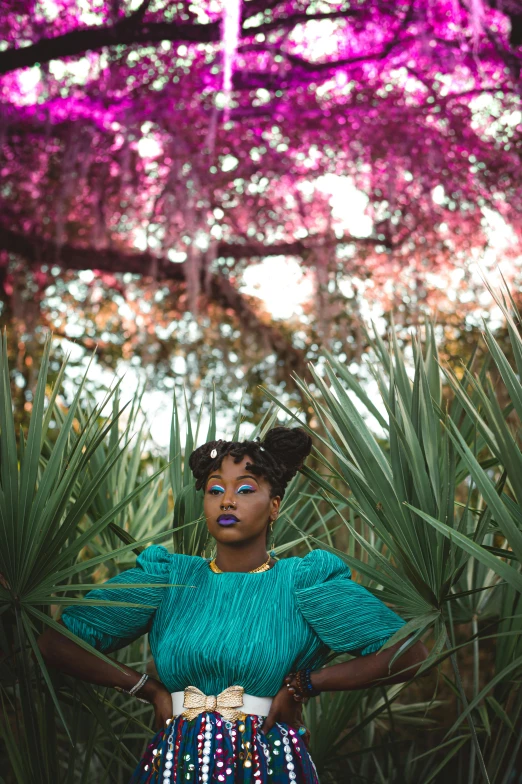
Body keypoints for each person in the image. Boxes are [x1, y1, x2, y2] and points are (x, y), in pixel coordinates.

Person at [38, 426, 428, 783]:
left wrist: (305, 685)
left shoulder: (302, 582)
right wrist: (147, 689)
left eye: (244, 490)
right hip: (176, 766)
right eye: (214, 490)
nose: (227, 501)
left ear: (274, 506)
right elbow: (57, 644)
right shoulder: (170, 578)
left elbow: (409, 654)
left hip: (267, 764)